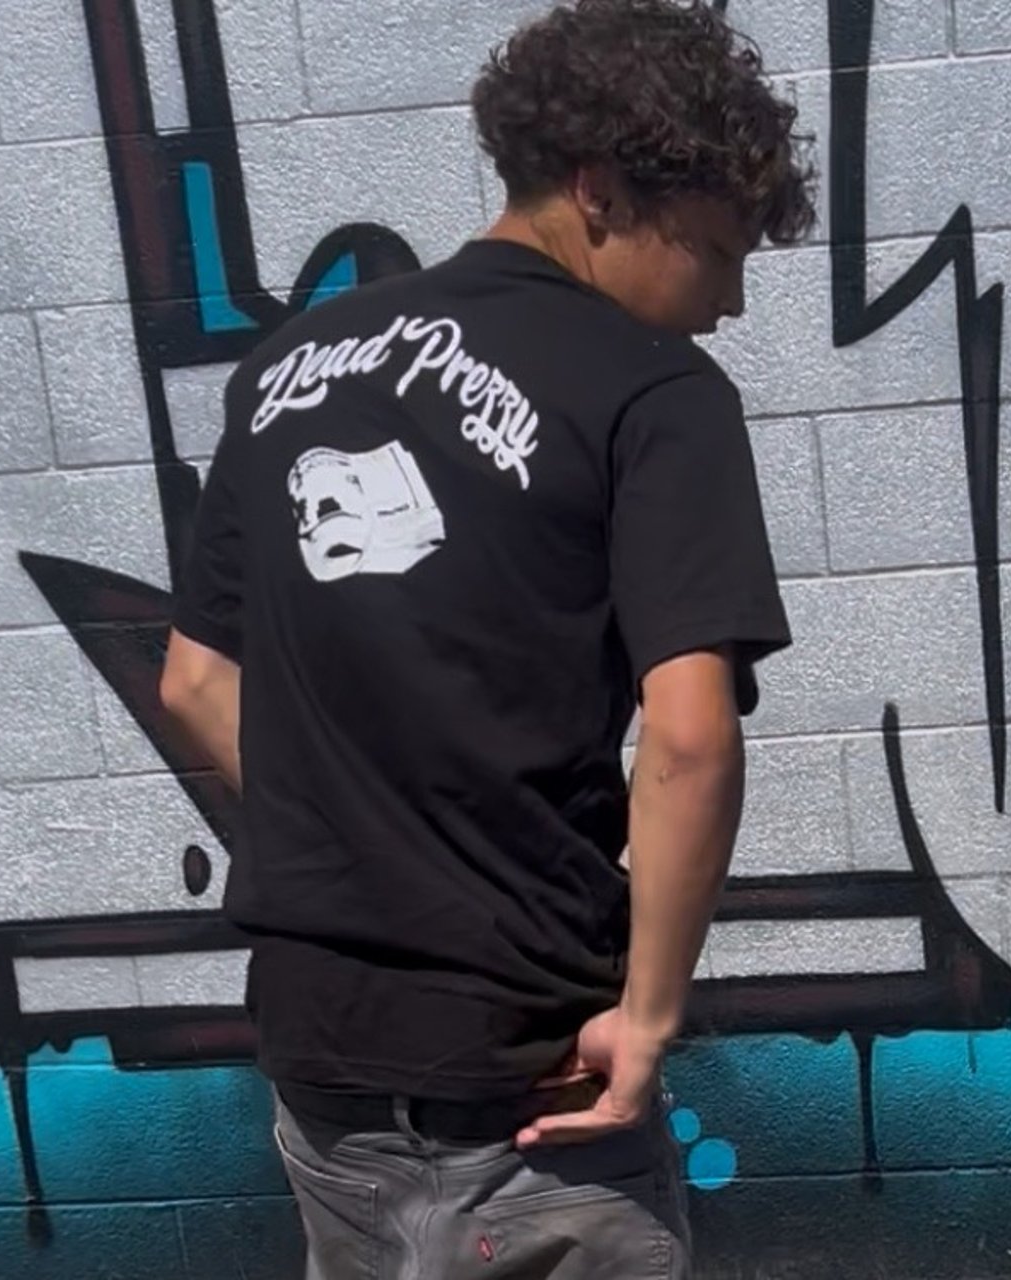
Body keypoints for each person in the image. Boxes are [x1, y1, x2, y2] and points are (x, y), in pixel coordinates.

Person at [157, 0, 816, 1274]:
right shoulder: (657, 392)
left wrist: (370, 838)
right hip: (538, 1074)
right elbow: (688, 739)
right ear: (599, 190)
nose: (730, 302)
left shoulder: (287, 367)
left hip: (320, 1056)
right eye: (719, 250)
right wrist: (651, 1011)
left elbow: (193, 683)